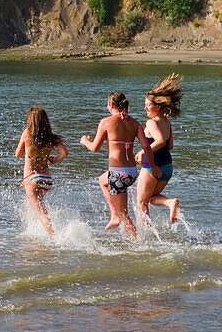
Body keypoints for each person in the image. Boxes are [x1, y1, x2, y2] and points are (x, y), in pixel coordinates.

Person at [81, 92, 159, 240]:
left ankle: (137, 244)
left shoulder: (106, 122)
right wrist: (153, 166)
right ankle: (114, 215)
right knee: (102, 180)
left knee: (124, 215)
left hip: (117, 174)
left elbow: (94, 148)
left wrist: (85, 140)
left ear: (111, 105)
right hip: (131, 173)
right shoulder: (135, 123)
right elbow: (147, 147)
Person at [135, 74, 183, 225]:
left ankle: (145, 237)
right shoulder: (167, 122)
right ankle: (169, 202)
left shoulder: (151, 123)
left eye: (147, 105)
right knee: (150, 199)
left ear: (158, 106)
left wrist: (143, 151)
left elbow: (161, 141)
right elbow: (170, 146)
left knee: (141, 203)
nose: (145, 108)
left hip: (152, 167)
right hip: (167, 167)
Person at [15, 107, 68, 236]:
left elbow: (17, 154)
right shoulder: (51, 138)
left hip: (31, 179)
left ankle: (53, 238)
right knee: (31, 205)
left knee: (41, 212)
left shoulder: (27, 134)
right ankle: (31, 231)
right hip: (46, 179)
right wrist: (54, 160)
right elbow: (64, 153)